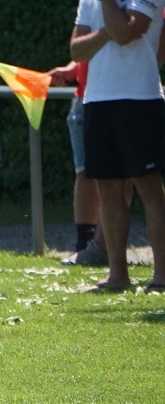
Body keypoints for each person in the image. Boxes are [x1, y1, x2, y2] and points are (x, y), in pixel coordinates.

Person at [71, 0, 165, 292]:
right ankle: (118, 277)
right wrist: (106, 31)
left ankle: (162, 277)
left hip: (140, 99)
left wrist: (109, 20)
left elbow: (126, 33)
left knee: (149, 187)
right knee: (108, 190)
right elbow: (76, 50)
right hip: (97, 100)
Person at [48, 60, 109, 266]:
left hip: (114, 100)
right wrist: (71, 70)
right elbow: (83, 52)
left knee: (123, 179)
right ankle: (85, 247)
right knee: (85, 173)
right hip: (84, 100)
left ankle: (103, 248)